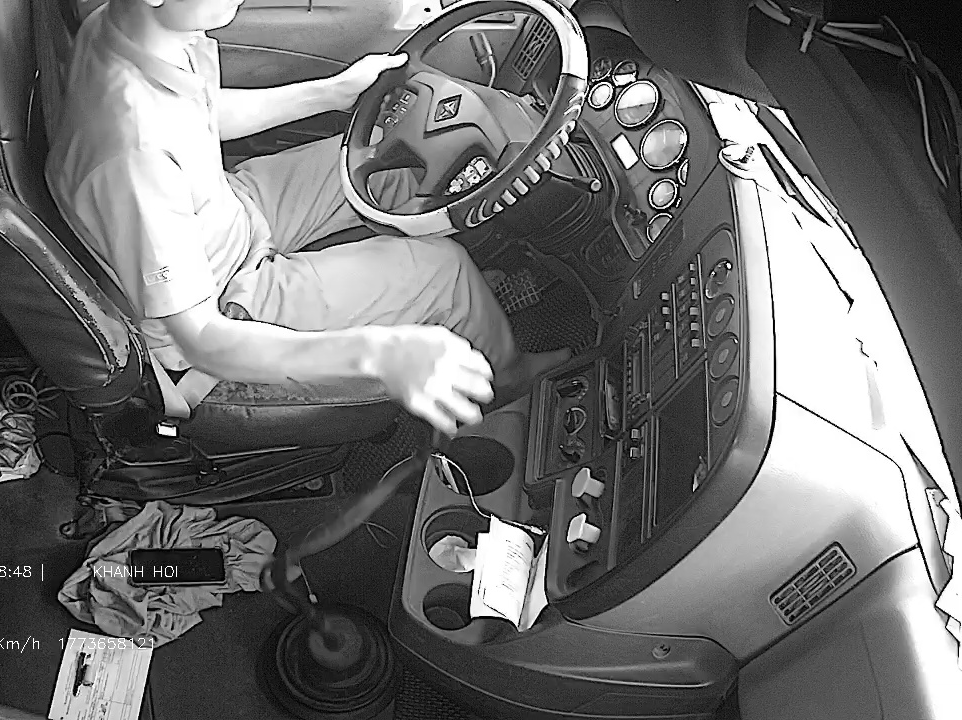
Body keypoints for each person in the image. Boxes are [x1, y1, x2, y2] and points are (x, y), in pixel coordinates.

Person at [47, 0, 572, 436]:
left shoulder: (126, 27)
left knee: (391, 161)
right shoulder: (134, 160)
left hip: (223, 208)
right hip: (224, 294)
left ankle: (457, 306)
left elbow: (204, 112)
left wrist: (330, 92)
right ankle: (506, 380)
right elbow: (199, 338)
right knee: (447, 273)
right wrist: (385, 354)